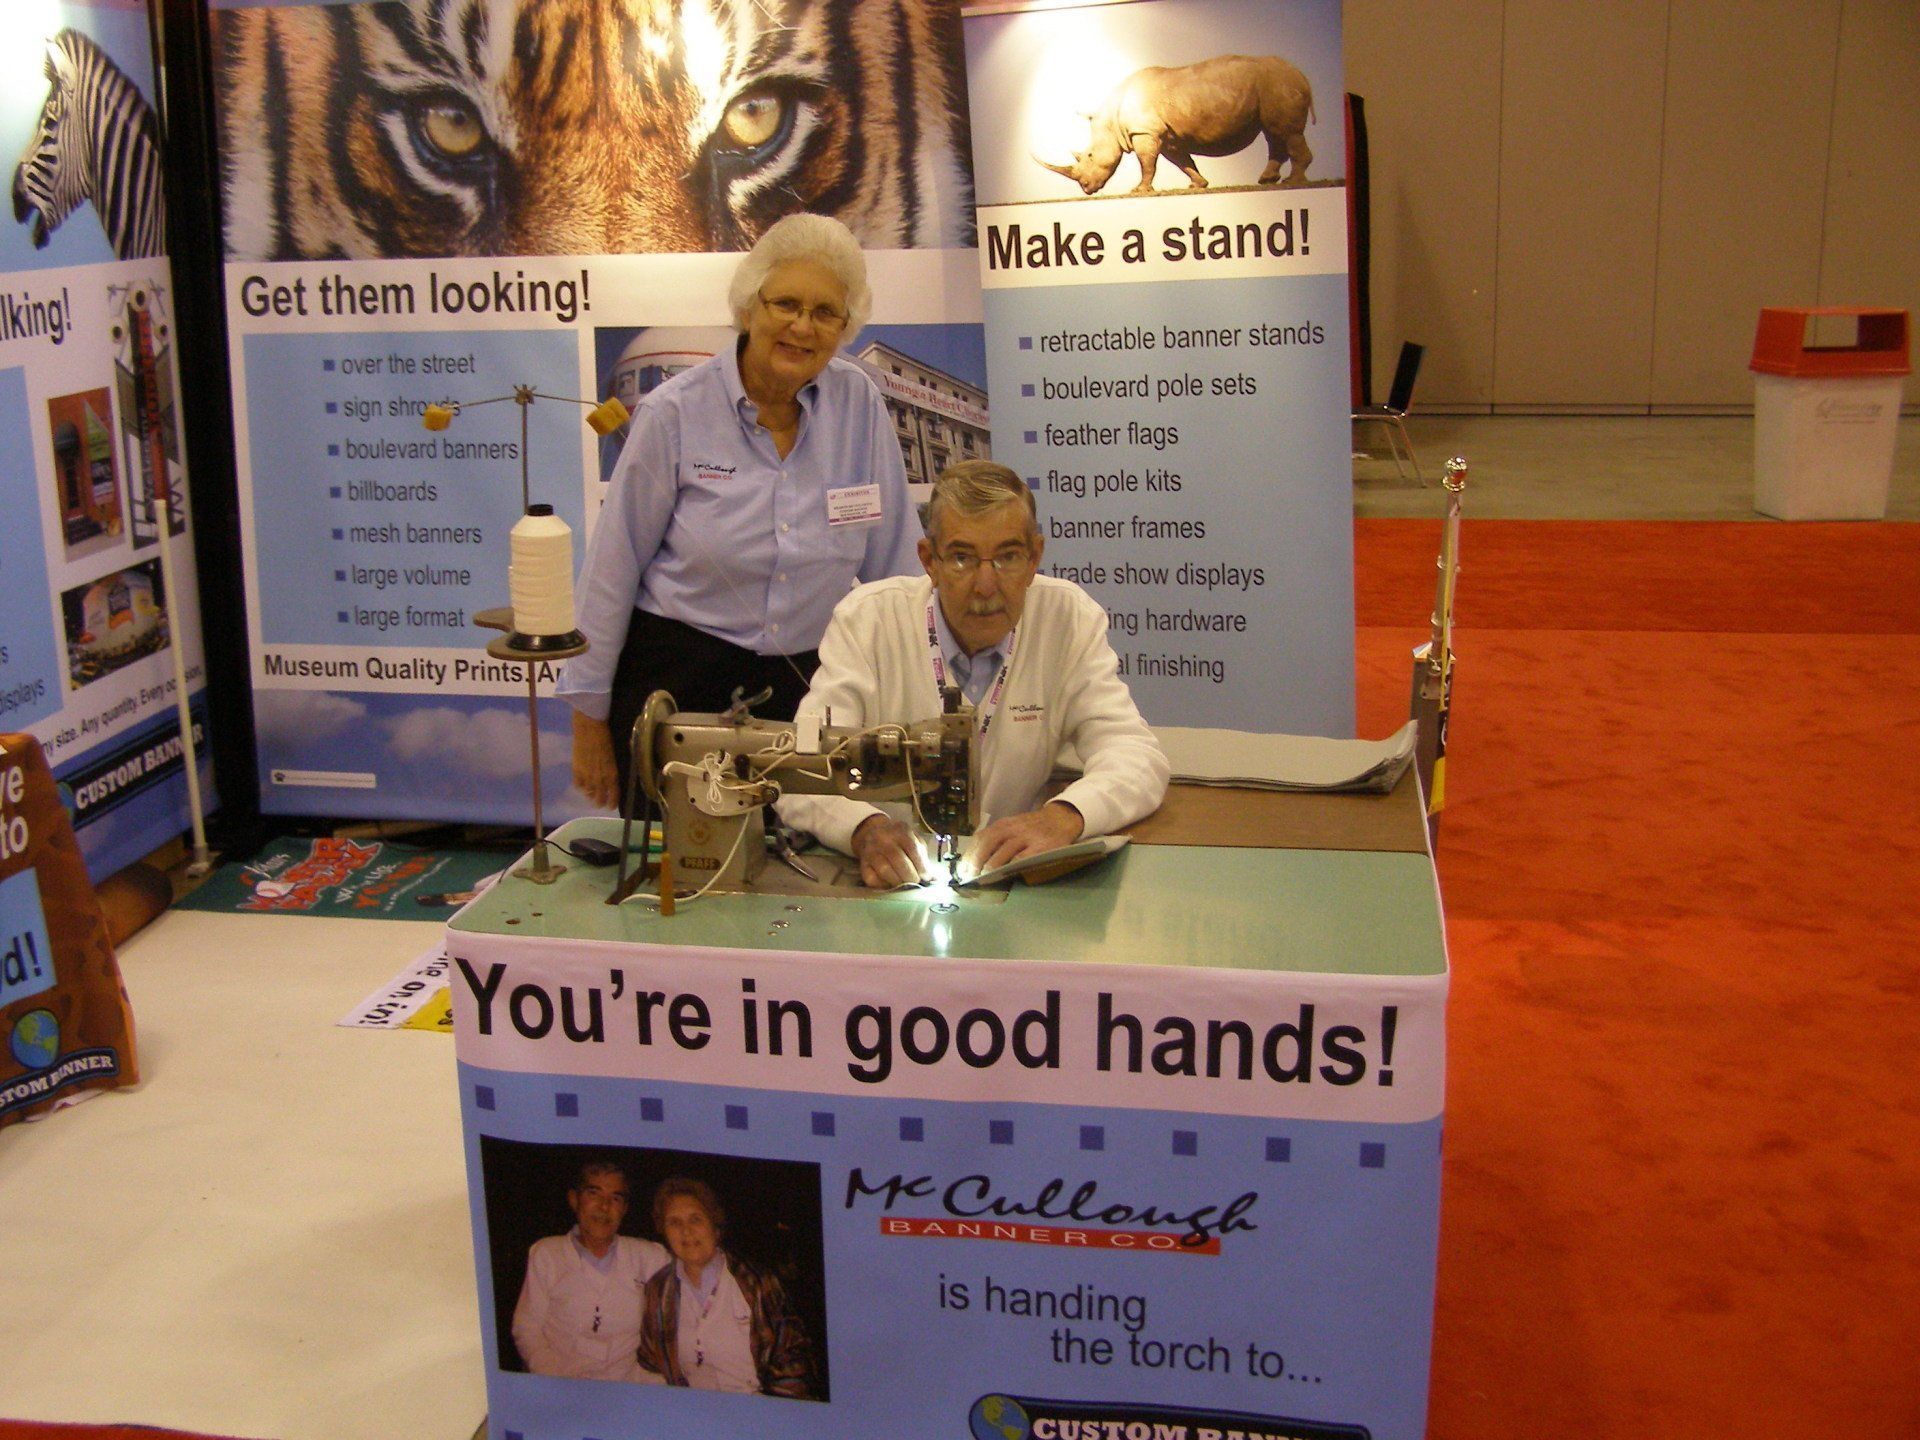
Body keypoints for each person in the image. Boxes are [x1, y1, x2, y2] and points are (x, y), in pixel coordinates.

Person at [560, 212, 920, 808]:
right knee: (680, 870)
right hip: (677, 679)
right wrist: (587, 721)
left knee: (802, 861)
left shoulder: (860, 404)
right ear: (749, 307)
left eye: (826, 313)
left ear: (846, 326)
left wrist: (923, 687)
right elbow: (610, 570)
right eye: (786, 304)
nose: (803, 327)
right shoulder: (673, 413)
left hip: (810, 683)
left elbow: (899, 567)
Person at [776, 460, 1170, 886]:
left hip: (1012, 882)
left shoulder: (1068, 619)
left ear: (1035, 556)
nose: (986, 585)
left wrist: (1064, 817)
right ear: (929, 560)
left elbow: (1136, 757)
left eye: (1008, 557)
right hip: (888, 884)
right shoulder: (868, 620)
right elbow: (802, 768)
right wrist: (863, 829)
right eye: (963, 558)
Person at [637, 1177, 812, 1398]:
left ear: (715, 1227)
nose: (686, 1231)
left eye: (695, 1219)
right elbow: (650, 1363)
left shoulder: (757, 1282)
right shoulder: (658, 1290)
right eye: (674, 1222)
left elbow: (794, 1361)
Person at [510, 1160, 669, 1382]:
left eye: (615, 1198)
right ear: (574, 1200)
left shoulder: (650, 1256)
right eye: (594, 1194)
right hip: (562, 1385)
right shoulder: (547, 1254)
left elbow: (677, 1321)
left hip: (629, 1388)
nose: (605, 1207)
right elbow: (527, 1329)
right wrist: (556, 1380)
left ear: (624, 1209)